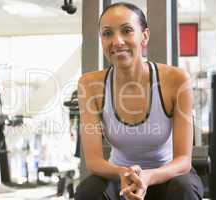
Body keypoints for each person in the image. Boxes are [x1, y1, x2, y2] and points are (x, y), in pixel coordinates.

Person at [75, 2, 204, 200]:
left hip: (168, 175)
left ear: (144, 36)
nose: (117, 41)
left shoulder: (176, 80)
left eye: (127, 31)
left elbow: (183, 161)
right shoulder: (89, 85)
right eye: (107, 33)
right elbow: (93, 162)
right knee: (88, 192)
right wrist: (124, 174)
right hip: (121, 177)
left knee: (183, 189)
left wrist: (148, 177)